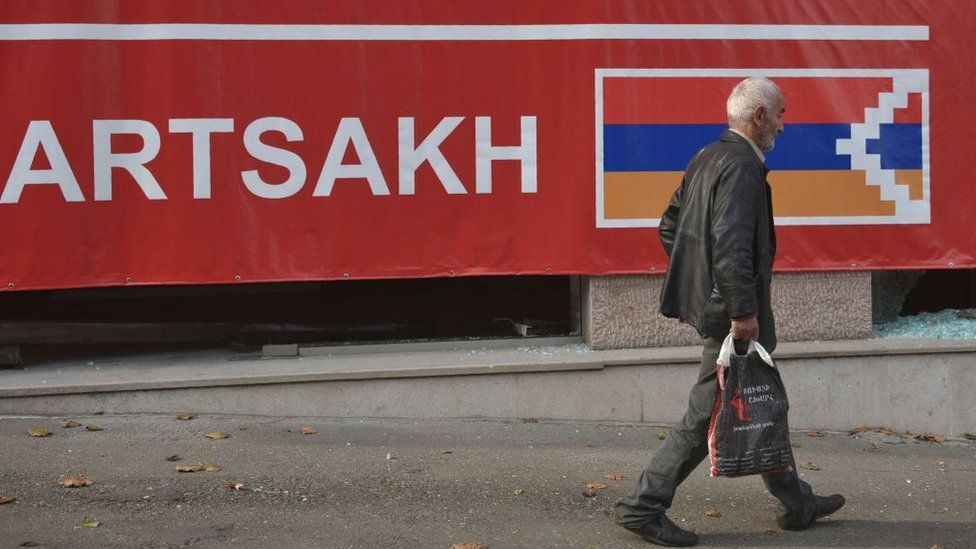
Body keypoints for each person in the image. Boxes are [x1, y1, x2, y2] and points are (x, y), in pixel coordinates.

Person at [612, 77, 845, 547]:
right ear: (759, 116)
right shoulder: (740, 166)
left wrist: (702, 288)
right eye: (780, 114)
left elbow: (669, 227)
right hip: (735, 315)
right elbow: (732, 246)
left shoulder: (708, 156)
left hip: (721, 306)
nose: (783, 124)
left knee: (760, 398)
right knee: (709, 413)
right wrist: (739, 310)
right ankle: (643, 505)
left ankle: (797, 502)